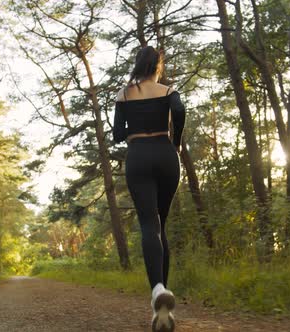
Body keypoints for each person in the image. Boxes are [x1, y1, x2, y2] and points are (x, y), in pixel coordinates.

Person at [113, 45, 185, 332]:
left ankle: (157, 291)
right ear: (158, 66)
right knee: (161, 226)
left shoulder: (124, 94)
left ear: (137, 65)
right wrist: (176, 141)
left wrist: (128, 117)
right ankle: (163, 311)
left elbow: (118, 135)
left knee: (148, 224)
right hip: (167, 156)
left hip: (139, 156)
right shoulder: (168, 91)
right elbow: (179, 110)